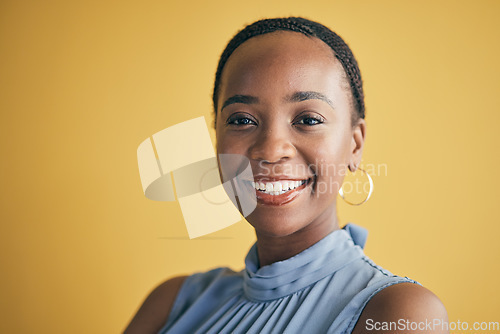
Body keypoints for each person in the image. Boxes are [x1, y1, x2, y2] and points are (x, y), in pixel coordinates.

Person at [124, 17, 448, 334]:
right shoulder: (173, 303)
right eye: (241, 120)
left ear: (354, 144)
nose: (270, 149)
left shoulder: (399, 313)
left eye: (308, 119)